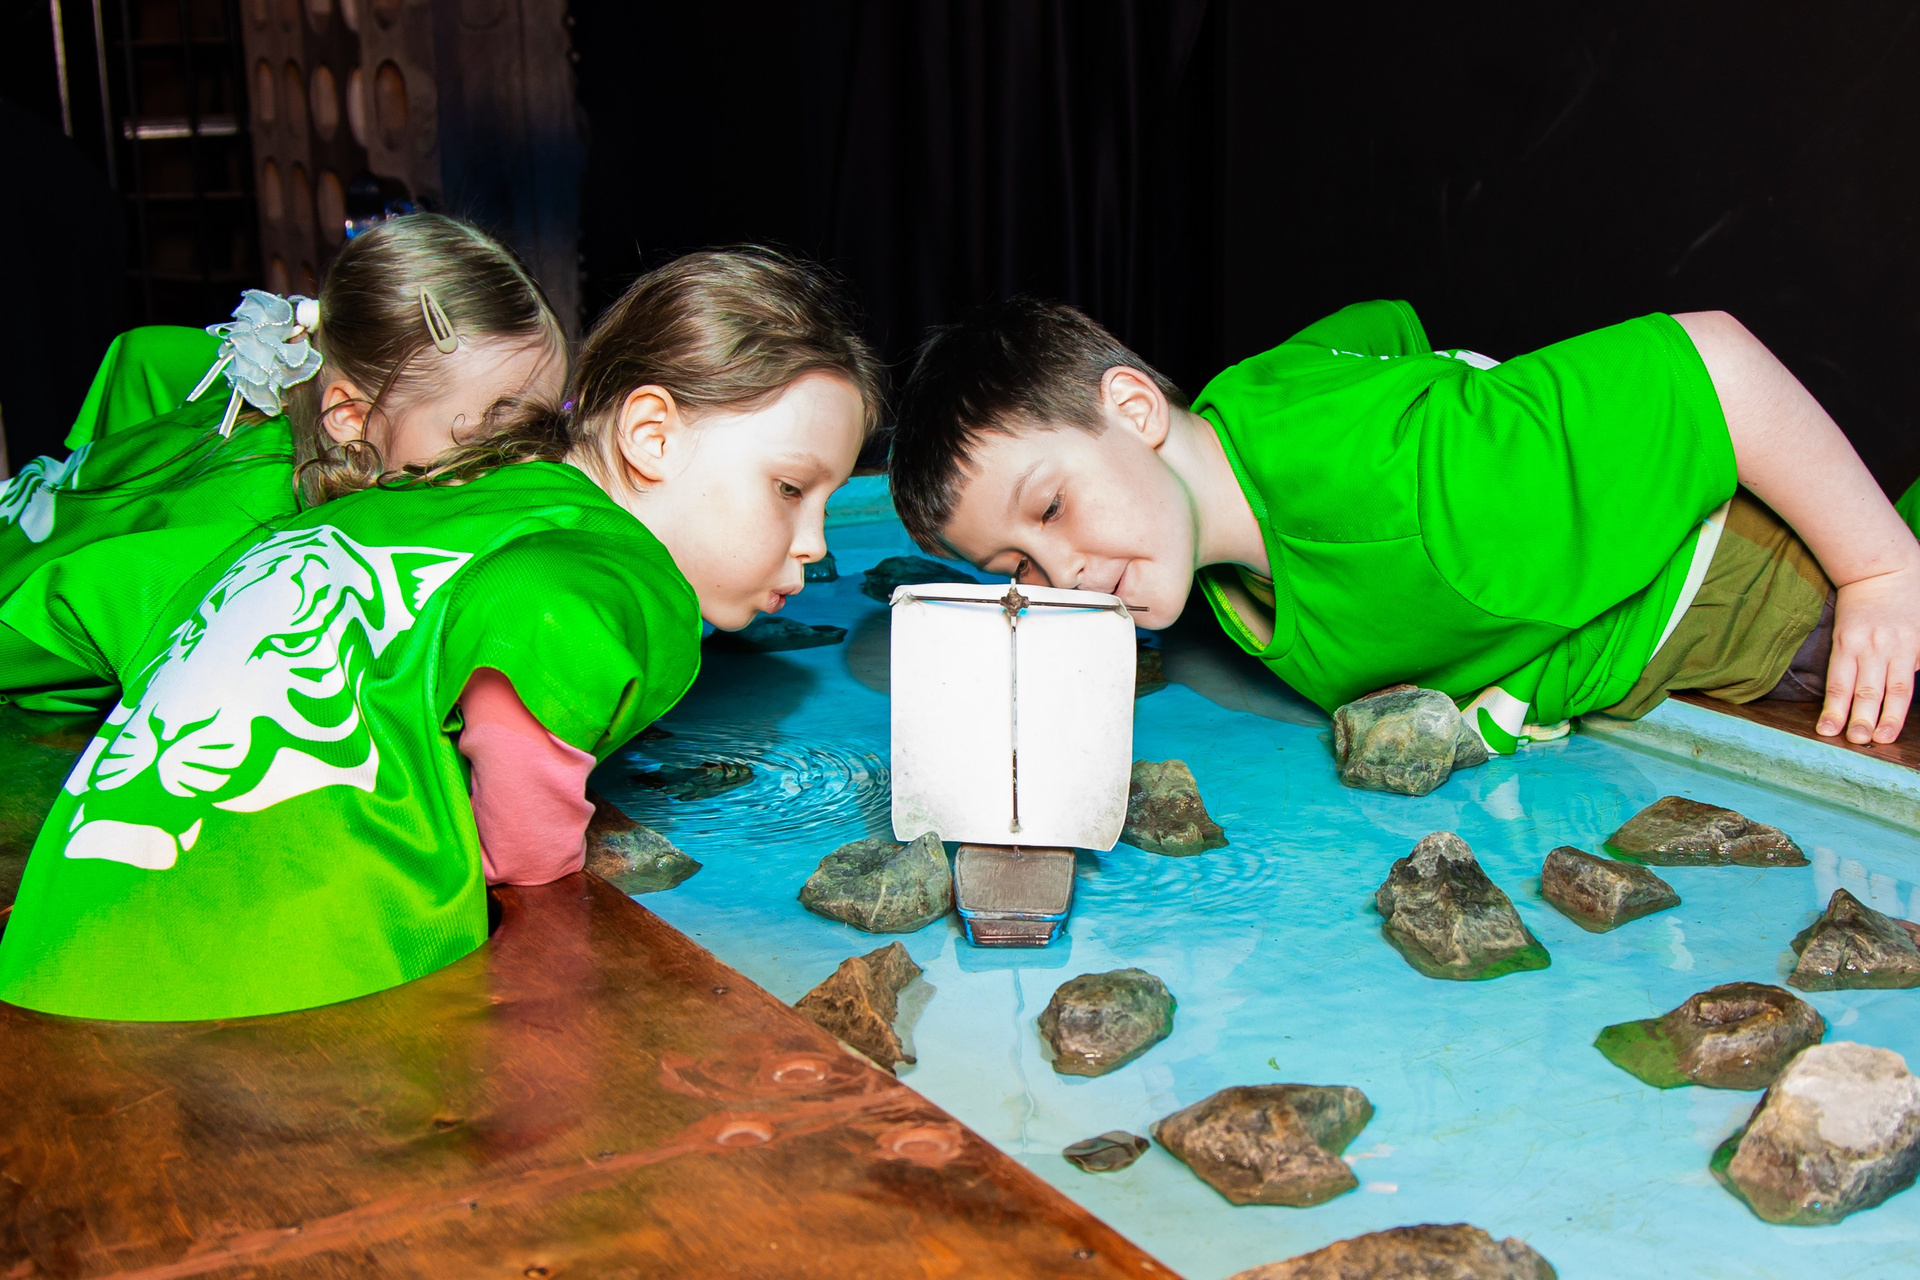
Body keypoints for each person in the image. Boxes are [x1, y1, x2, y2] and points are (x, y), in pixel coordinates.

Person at [0, 248, 883, 1021]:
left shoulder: (445, 493)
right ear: (652, 436)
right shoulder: (611, 570)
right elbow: (532, 662)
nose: (816, 544)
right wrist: (538, 869)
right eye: (789, 489)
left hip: (71, 931)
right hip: (284, 966)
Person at [887, 298, 1920, 752]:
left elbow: (1717, 362)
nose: (1061, 571)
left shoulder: (1425, 489)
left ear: (1136, 408)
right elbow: (1386, 325)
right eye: (1017, 565)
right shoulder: (1228, 424)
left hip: (1793, 608)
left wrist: (1878, 572)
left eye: (1052, 506)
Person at [0, 212, 567, 642]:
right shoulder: (246, 537)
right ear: (350, 418)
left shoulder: (327, 412)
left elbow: (148, 354)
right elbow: (66, 610)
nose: (529, 467)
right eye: (489, 446)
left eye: (545, 430)